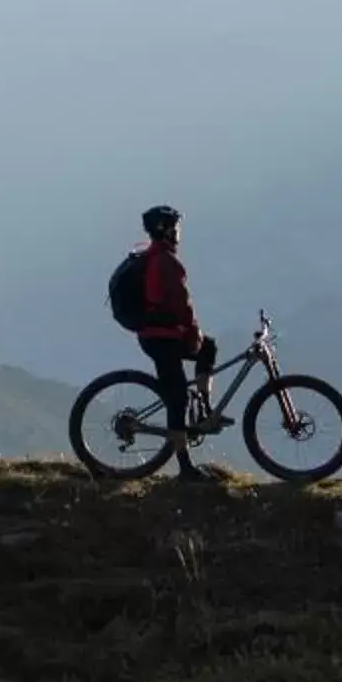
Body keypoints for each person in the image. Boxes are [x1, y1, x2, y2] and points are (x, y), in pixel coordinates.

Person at [133, 204, 218, 480]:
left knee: (209, 347)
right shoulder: (167, 262)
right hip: (161, 339)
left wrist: (196, 339)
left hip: (160, 334)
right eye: (175, 226)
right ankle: (185, 468)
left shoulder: (154, 256)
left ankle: (205, 408)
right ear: (165, 230)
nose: (179, 231)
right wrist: (193, 334)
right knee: (177, 398)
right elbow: (184, 306)